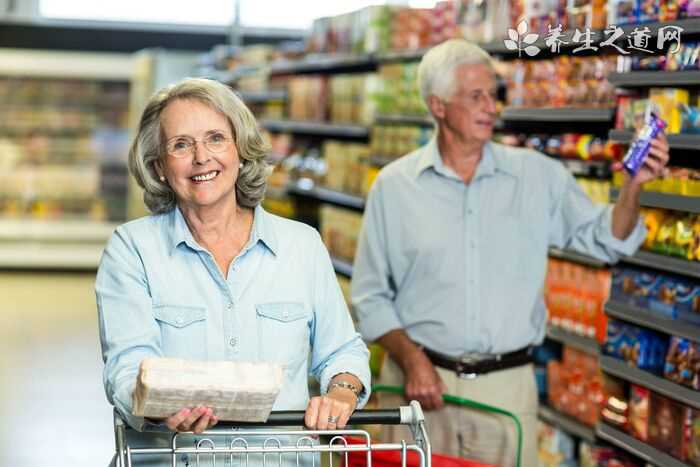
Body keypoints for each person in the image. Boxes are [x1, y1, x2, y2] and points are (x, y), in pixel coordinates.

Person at [351, 39, 670, 466]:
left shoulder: (537, 176)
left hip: (506, 391)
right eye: (475, 96)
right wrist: (412, 360)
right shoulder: (394, 187)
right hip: (418, 387)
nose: (491, 107)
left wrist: (635, 186)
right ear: (439, 105)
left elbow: (609, 237)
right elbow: (370, 297)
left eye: (493, 94)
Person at [96, 78, 371, 465]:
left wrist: (341, 391)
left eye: (215, 138)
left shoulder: (301, 245)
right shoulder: (132, 250)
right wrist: (158, 406)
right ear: (159, 167)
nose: (201, 157)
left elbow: (342, 349)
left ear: (241, 151)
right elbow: (127, 365)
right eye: (180, 144)